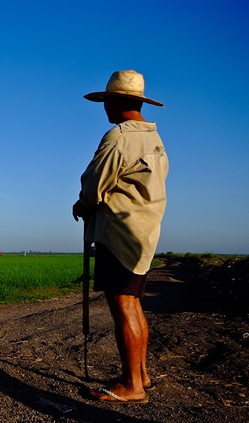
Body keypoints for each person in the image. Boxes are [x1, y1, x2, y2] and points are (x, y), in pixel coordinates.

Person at [72, 70, 169, 404]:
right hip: (143, 234)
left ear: (114, 101)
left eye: (106, 101)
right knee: (134, 302)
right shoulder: (154, 140)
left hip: (119, 233)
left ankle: (132, 385)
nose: (105, 108)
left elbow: (94, 183)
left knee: (123, 306)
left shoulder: (120, 137)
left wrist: (82, 204)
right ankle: (140, 374)